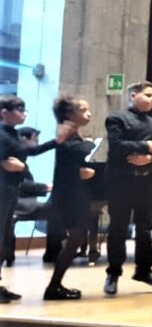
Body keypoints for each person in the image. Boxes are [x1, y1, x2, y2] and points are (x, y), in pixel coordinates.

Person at [0, 95, 71, 303]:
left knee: (4, 238)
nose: (24, 114)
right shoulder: (3, 135)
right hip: (3, 191)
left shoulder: (11, 134)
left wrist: (20, 166)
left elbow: (25, 154)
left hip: (10, 191)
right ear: (4, 113)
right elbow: (22, 154)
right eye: (20, 110)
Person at [103, 81, 152, 296]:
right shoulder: (116, 118)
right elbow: (117, 145)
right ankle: (113, 271)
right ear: (133, 95)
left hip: (146, 182)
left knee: (146, 226)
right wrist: (145, 146)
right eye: (148, 95)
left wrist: (149, 158)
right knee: (118, 227)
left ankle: (144, 269)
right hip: (120, 182)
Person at [44, 96, 97, 300]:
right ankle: (54, 285)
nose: (88, 114)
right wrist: (90, 144)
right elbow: (76, 151)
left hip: (72, 193)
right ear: (69, 114)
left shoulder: (72, 135)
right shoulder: (66, 135)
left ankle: (55, 284)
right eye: (83, 110)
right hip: (68, 196)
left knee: (77, 237)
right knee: (76, 236)